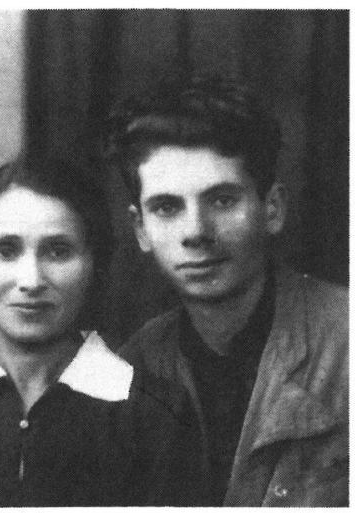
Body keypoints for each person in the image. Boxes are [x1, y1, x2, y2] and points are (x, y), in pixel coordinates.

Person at [104, 74, 348, 506]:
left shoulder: (352, 342)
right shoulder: (132, 368)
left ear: (272, 209)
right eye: (166, 207)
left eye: (222, 200)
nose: (196, 232)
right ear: (140, 229)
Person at [0, 156, 200, 506]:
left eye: (58, 251)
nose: (32, 281)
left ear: (94, 269)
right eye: (5, 251)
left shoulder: (155, 414)